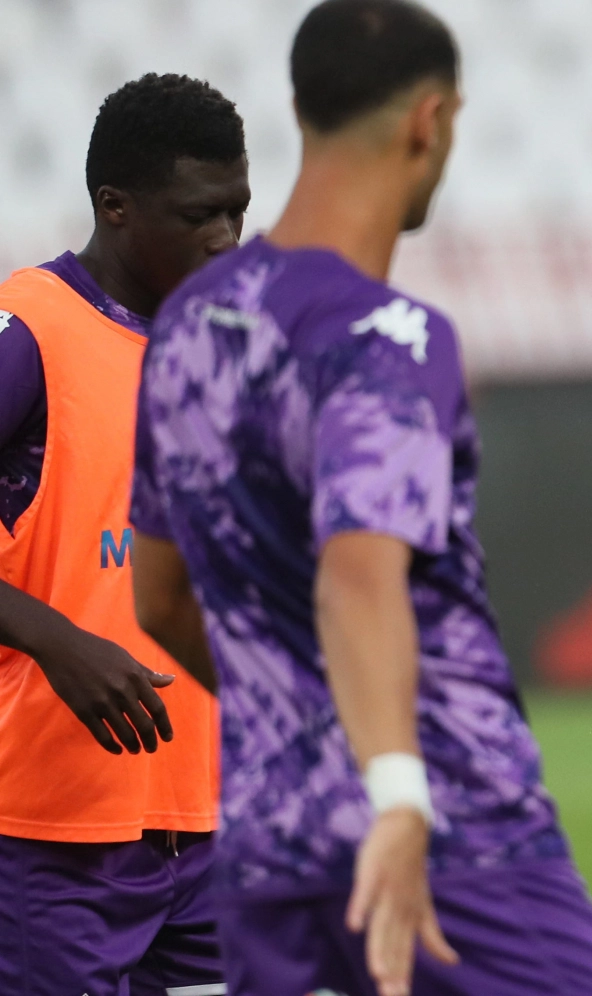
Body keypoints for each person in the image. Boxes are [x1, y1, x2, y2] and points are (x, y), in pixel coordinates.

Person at [127, 3, 592, 995]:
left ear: (300, 110)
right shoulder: (389, 338)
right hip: (449, 832)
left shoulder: (188, 325)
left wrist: (307, 724)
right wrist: (397, 791)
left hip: (270, 845)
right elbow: (358, 575)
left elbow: (160, 597)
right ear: (429, 121)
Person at [0, 73, 244, 996]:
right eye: (199, 215)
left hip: (210, 829)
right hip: (51, 836)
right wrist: (57, 640)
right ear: (116, 206)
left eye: (237, 209)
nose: (227, 238)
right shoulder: (31, 331)